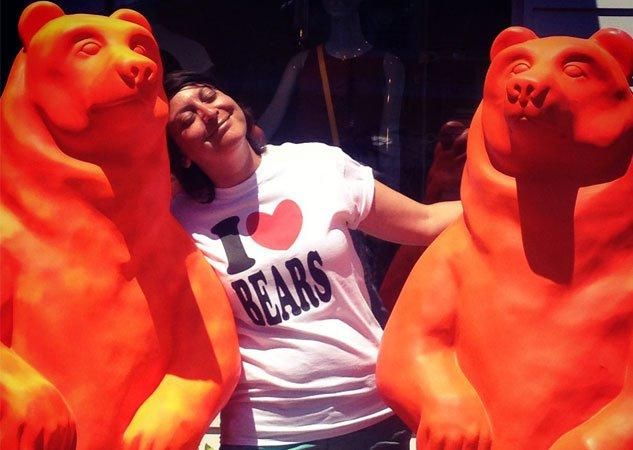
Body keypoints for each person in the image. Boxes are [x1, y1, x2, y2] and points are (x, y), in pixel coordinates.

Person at [165, 70, 462, 450]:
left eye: (209, 96)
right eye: (187, 119)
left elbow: (425, 223)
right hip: (270, 432)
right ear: (181, 155)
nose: (208, 112)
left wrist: (519, 196)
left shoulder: (317, 166)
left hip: (373, 413)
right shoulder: (179, 221)